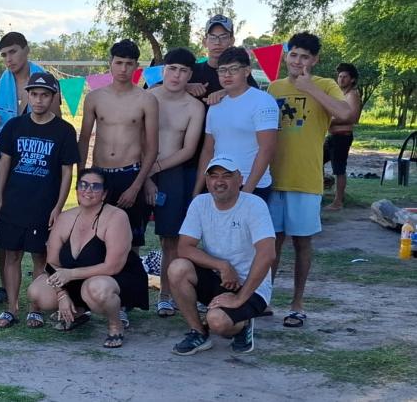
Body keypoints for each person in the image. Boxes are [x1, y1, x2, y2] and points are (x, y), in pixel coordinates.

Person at [267, 32, 352, 328]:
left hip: (305, 178)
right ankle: (264, 299)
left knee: (302, 243)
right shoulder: (274, 88)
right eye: (293, 55)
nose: (298, 61)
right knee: (271, 244)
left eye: (305, 57)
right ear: (286, 56)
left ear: (314, 60)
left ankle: (297, 304)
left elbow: (345, 113)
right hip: (273, 178)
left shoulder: (326, 85)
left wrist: (308, 88)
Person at [0, 72, 79, 328]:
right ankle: (12, 307)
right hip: (14, 202)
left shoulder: (63, 131)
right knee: (12, 255)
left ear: (53, 98)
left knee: (40, 258)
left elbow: (66, 171)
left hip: (43, 205)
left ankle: (35, 307)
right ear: (27, 96)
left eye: (44, 95)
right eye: (34, 94)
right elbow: (4, 162)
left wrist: (58, 206)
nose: (39, 100)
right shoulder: (15, 126)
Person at [0, 31, 62, 307]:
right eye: (3, 55)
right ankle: (5, 287)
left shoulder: (47, 83)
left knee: (41, 231)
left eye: (13, 52)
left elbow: (57, 124)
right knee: (1, 227)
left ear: (27, 50)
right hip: (5, 160)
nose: (9, 59)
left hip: (39, 162)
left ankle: (39, 292)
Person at [27, 168, 148, 347]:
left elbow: (113, 266)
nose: (88, 190)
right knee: (37, 291)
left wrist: (70, 274)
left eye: (95, 186)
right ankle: (78, 312)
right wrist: (61, 295)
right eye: (83, 185)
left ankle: (116, 325)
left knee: (96, 288)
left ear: (105, 193)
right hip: (75, 279)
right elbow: (51, 263)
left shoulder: (116, 217)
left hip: (115, 278)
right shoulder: (65, 217)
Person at [168, 156, 276, 355]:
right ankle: (198, 332)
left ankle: (243, 325)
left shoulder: (254, 205)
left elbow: (267, 254)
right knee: (177, 268)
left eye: (227, 175)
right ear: (207, 180)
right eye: (214, 176)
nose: (219, 181)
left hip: (251, 286)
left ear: (240, 179)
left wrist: (239, 298)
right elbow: (184, 248)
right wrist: (222, 266)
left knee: (217, 322)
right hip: (220, 278)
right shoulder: (200, 203)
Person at [78, 39, 158, 251]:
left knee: (129, 243)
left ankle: (127, 284)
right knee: (94, 239)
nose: (123, 68)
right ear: (110, 63)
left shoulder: (146, 100)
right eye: (119, 62)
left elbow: (152, 147)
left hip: (130, 174)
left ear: (136, 67)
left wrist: (136, 186)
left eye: (129, 63)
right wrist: (81, 177)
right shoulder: (94, 97)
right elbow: (84, 138)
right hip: (99, 174)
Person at [146, 48, 204, 318]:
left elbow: (188, 150)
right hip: (141, 168)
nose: (176, 75)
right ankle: (125, 297)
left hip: (172, 172)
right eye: (172, 69)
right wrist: (145, 175)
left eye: (183, 71)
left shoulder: (195, 107)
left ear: (190, 75)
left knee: (170, 239)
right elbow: (134, 138)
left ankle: (166, 295)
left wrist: (155, 168)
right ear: (163, 70)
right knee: (129, 234)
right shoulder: (148, 98)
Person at [195, 46, 278, 202]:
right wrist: (197, 190)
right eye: (222, 70)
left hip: (252, 185)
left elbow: (267, 149)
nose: (227, 75)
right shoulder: (215, 105)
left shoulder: (262, 101)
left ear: (247, 71)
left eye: (233, 69)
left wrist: (247, 192)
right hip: (218, 185)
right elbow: (208, 150)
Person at [323, 63, 362, 210]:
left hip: (342, 136)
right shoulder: (340, 95)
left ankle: (338, 202)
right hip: (332, 136)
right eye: (339, 76)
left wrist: (329, 121)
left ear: (352, 79)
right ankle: (322, 189)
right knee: (315, 160)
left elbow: (351, 117)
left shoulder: (352, 95)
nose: (341, 79)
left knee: (339, 169)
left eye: (345, 77)